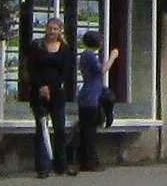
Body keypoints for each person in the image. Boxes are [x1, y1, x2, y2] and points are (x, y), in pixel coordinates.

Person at [23, 16, 76, 177]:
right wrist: (41, 86)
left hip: (57, 93)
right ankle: (43, 167)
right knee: (42, 128)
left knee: (60, 128)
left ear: (60, 31)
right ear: (45, 29)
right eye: (50, 28)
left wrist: (52, 87)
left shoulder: (65, 49)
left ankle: (62, 165)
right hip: (39, 93)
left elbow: (66, 72)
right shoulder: (37, 46)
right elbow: (31, 68)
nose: (52, 32)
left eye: (55, 29)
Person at [76, 30, 108, 171]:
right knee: (90, 131)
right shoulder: (89, 55)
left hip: (87, 96)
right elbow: (101, 70)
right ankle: (90, 162)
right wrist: (112, 57)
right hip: (91, 98)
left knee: (86, 130)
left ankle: (85, 160)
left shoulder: (85, 55)